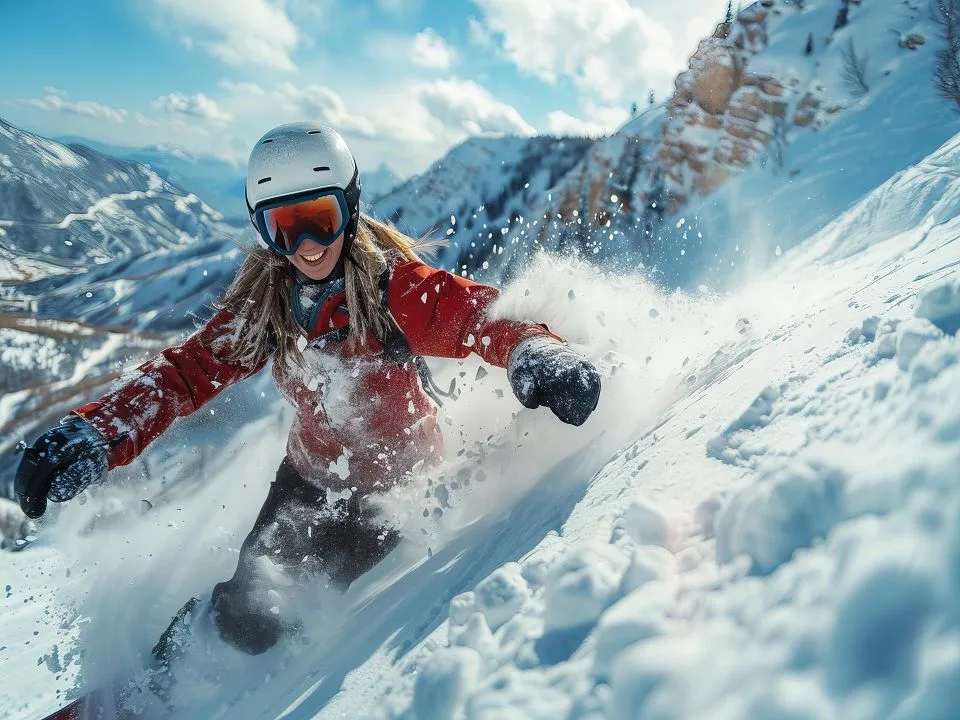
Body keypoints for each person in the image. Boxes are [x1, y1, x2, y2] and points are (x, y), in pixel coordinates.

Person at [15, 122, 602, 664]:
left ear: (349, 206)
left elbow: (478, 315)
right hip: (305, 478)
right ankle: (166, 680)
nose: (306, 245)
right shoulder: (268, 304)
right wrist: (100, 431)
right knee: (240, 599)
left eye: (319, 218)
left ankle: (237, 686)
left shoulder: (393, 292)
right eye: (282, 227)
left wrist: (533, 351)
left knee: (268, 616)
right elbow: (185, 373)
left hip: (395, 496)